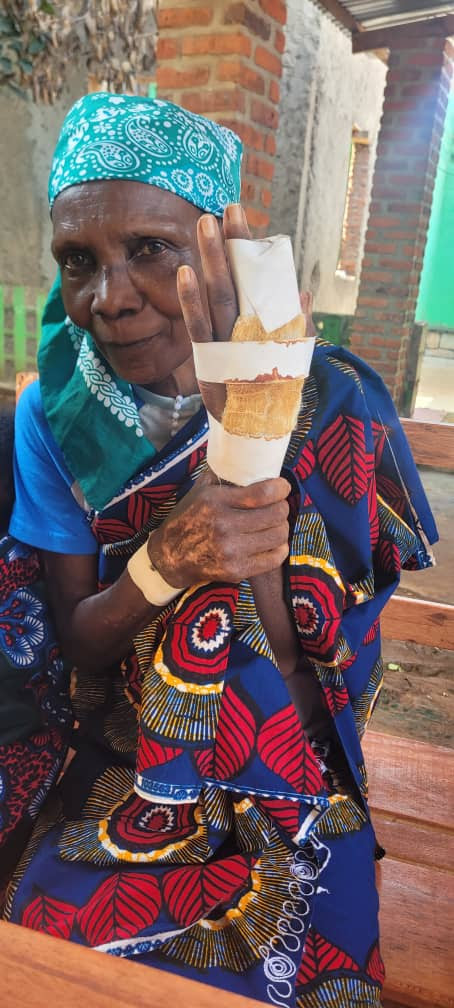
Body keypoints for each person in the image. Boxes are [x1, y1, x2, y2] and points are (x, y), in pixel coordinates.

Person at [0, 93, 437, 1007]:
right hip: (126, 755)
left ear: (217, 248)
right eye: (78, 261)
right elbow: (79, 639)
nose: (109, 300)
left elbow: (310, 673)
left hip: (292, 758)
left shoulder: (325, 401)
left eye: (150, 250)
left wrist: (249, 446)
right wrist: (169, 558)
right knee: (51, 951)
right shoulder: (57, 415)